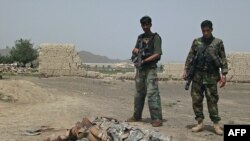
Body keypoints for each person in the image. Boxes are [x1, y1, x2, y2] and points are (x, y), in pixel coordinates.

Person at [183, 20, 228, 135]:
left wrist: (224, 75)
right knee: (196, 100)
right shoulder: (197, 42)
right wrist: (186, 70)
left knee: (212, 100)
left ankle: (216, 124)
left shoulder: (218, 42)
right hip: (197, 76)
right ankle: (200, 122)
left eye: (208, 30)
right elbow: (190, 56)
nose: (206, 33)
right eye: (204, 31)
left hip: (211, 77)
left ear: (212, 29)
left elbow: (223, 59)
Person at [127, 16, 163, 127]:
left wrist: (145, 59)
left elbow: (157, 54)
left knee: (152, 93)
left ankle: (157, 118)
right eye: (143, 25)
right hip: (140, 69)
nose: (145, 27)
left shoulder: (156, 37)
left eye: (147, 24)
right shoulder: (140, 38)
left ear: (151, 25)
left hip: (150, 68)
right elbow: (135, 51)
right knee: (138, 93)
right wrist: (135, 51)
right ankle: (137, 116)